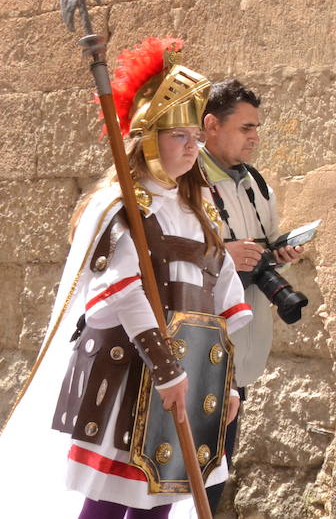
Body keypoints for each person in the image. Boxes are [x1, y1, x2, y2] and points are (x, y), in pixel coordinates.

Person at [0, 37, 250, 518]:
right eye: (180, 136)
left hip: (187, 373)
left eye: (197, 138)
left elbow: (222, 306)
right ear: (148, 138)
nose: (192, 148)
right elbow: (121, 291)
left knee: (160, 500)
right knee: (109, 504)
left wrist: (224, 382)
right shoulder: (121, 207)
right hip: (129, 370)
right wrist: (165, 367)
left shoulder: (199, 214)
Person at [198, 79, 304, 510]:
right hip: (202, 343)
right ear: (211, 125)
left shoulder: (259, 184)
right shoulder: (189, 180)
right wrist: (225, 254)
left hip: (243, 344)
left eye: (256, 127)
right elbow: (160, 255)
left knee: (223, 455)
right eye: (245, 127)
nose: (254, 136)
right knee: (196, 460)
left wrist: (280, 252)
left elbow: (260, 253)